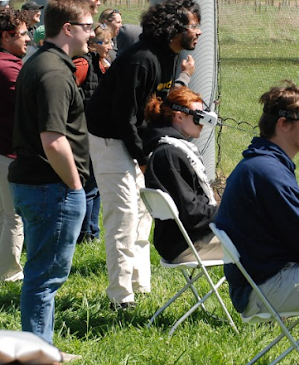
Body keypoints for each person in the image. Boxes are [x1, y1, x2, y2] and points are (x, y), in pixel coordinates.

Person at [85, 0, 202, 310]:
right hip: (111, 139)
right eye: (193, 25)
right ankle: (120, 298)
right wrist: (142, 157)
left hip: (134, 140)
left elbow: (152, 109)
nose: (198, 32)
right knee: (122, 218)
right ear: (173, 29)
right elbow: (124, 115)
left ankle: (140, 284)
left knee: (141, 215)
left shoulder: (170, 56)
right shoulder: (143, 59)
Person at [8, 0, 92, 344]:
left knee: (42, 275)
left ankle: (41, 348)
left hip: (38, 184)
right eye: (87, 26)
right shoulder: (55, 72)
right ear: (68, 29)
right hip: (50, 187)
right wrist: (74, 186)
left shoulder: (41, 62)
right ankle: (38, 351)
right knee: (44, 278)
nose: (92, 32)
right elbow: (53, 139)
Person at [215, 80, 299, 317]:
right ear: (284, 124)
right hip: (263, 288)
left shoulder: (261, 164)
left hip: (257, 281)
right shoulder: (270, 173)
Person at [144, 87, 222, 264]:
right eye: (198, 117)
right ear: (179, 116)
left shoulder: (170, 149)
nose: (203, 123)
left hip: (181, 240)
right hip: (186, 244)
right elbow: (192, 213)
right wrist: (228, 212)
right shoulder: (171, 154)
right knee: (261, 241)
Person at [73, 23, 112, 244]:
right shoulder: (82, 64)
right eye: (104, 42)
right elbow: (71, 92)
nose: (109, 46)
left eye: (109, 41)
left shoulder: (101, 63)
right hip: (85, 133)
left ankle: (93, 232)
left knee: (96, 187)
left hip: (96, 131)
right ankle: (85, 234)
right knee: (89, 186)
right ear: (91, 44)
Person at [0, 8, 30, 282]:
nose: (28, 39)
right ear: (6, 36)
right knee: (13, 217)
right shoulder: (9, 68)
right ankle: (10, 274)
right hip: (7, 153)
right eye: (22, 34)